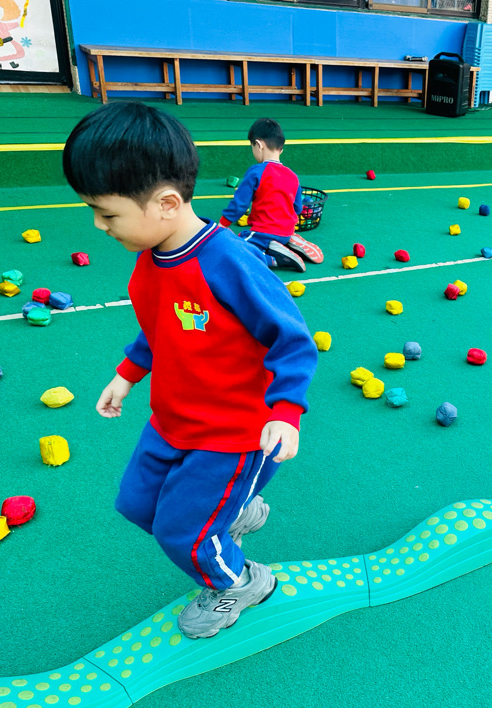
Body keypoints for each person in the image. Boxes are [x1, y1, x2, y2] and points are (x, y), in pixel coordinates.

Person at [62, 102, 318, 639]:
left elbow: (293, 339)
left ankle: (240, 583)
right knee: (137, 505)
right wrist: (127, 374)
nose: (98, 225)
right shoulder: (150, 261)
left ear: (166, 203)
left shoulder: (230, 262)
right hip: (172, 422)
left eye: (107, 214)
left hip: (232, 434)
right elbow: (160, 328)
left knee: (185, 536)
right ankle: (234, 513)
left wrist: (286, 411)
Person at [219, 117, 312, 272]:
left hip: (263, 232)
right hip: (287, 231)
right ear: (281, 149)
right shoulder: (293, 176)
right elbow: (297, 208)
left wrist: (223, 224)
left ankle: (276, 259)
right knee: (262, 239)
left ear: (258, 145)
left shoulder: (256, 172)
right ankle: (286, 242)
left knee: (235, 248)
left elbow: (239, 204)